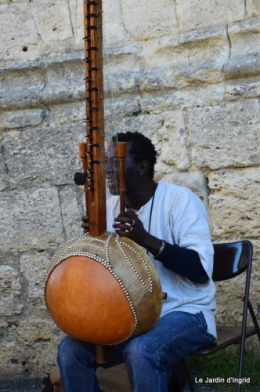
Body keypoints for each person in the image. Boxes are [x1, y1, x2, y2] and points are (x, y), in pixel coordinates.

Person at [57, 131, 216, 392]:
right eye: (105, 161)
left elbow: (200, 270)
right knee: (70, 349)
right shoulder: (108, 207)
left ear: (142, 167)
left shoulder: (180, 201)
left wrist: (145, 238)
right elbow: (101, 275)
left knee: (141, 349)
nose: (106, 168)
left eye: (115, 161)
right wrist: (94, 241)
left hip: (187, 312)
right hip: (131, 318)